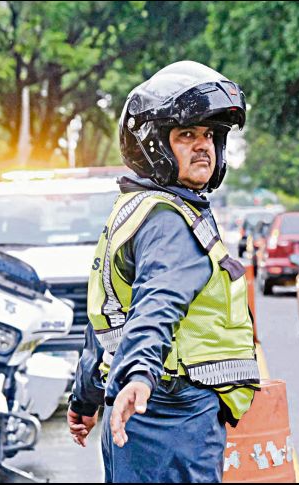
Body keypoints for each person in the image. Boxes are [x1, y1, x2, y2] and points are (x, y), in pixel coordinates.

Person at [67, 61, 260, 483]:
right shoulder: (170, 219)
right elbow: (158, 303)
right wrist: (138, 374)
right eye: (187, 135)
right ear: (154, 144)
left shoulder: (135, 208)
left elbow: (109, 318)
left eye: (210, 135)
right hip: (174, 420)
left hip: (143, 412)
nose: (203, 146)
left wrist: (85, 397)